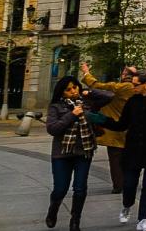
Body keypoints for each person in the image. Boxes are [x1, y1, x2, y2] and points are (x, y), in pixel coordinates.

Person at [88, 72, 146, 231]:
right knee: (129, 184)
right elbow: (121, 125)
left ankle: (143, 219)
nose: (133, 87)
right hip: (133, 149)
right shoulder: (132, 101)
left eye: (136, 85)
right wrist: (100, 119)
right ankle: (127, 204)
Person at [44, 76, 112, 230]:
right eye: (68, 89)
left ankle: (75, 220)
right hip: (62, 153)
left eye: (75, 87)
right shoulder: (56, 107)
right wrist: (72, 114)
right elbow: (52, 129)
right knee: (60, 189)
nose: (73, 91)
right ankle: (53, 209)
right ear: (62, 93)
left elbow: (109, 96)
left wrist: (89, 92)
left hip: (84, 152)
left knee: (80, 188)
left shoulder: (87, 103)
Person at [80, 62, 136, 194]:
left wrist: (86, 72)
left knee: (115, 158)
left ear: (124, 75)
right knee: (128, 157)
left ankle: (118, 185)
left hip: (115, 127)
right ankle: (126, 182)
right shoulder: (138, 87)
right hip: (131, 128)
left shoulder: (122, 87)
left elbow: (97, 85)